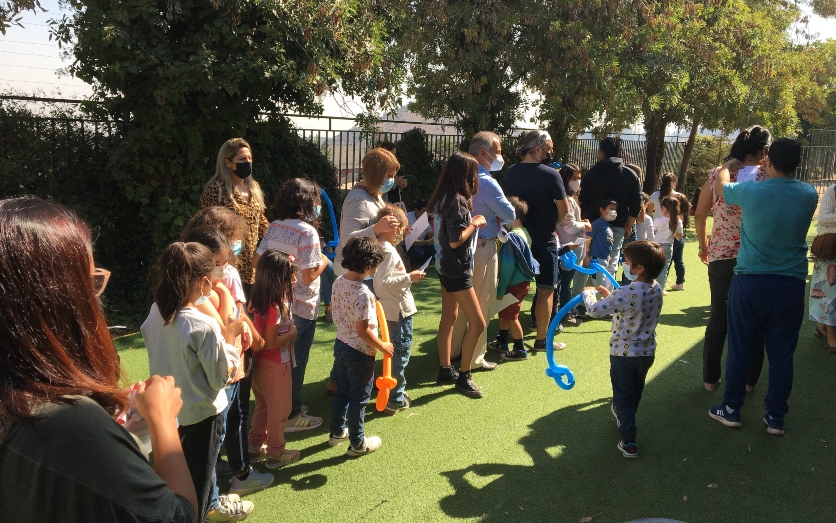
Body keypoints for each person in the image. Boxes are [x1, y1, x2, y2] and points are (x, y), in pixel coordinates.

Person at [0, 196, 198, 523]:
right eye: (90, 283)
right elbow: (178, 517)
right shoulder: (70, 426)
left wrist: (118, 437)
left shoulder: (19, 408)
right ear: (58, 301)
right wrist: (162, 420)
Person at [708, 138, 818, 437]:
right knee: (782, 354)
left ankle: (731, 408)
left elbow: (720, 188)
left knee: (740, 347)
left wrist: (726, 168)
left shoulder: (752, 190)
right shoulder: (808, 194)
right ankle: (775, 418)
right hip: (791, 282)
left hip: (751, 279)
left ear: (768, 159)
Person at [141, 241, 255, 521]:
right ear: (204, 282)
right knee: (199, 488)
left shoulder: (156, 311)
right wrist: (230, 338)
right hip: (203, 415)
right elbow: (219, 379)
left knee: (172, 478)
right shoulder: (201, 325)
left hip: (170, 411)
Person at [179, 226, 274, 499]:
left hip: (231, 367)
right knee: (218, 433)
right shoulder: (204, 297)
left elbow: (238, 315)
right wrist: (226, 301)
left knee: (222, 430)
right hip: (224, 374)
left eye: (224, 263)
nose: (224, 269)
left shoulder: (213, 289)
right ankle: (223, 489)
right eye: (218, 264)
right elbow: (225, 329)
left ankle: (219, 482)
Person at [694, 126, 771, 392]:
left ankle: (710, 379)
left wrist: (704, 246)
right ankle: (749, 381)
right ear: (764, 151)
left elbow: (701, 213)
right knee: (756, 320)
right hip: (757, 258)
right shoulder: (769, 176)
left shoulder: (718, 174)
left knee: (719, 317)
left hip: (721, 256)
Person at [254, 178, 328, 432]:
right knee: (297, 360)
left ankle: (283, 408)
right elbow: (308, 275)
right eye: (316, 201)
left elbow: (257, 261)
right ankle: (292, 413)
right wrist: (326, 261)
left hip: (279, 301)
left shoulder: (274, 226)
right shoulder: (308, 232)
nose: (318, 206)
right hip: (302, 306)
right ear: (307, 203)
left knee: (282, 360)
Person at [582, 240, 665, 459]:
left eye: (627, 263)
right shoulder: (656, 288)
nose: (625, 265)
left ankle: (629, 441)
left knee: (622, 395)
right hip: (646, 353)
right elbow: (633, 308)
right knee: (634, 390)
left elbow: (594, 311)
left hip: (623, 355)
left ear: (639, 268)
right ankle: (626, 415)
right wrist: (611, 297)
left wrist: (589, 294)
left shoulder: (628, 291)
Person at [450, 131, 516, 371]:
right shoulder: (486, 180)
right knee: (482, 303)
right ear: (482, 153)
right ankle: (475, 356)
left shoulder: (459, 176)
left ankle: (454, 350)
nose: (501, 156)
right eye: (497, 151)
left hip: (462, 247)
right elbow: (510, 213)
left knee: (460, 303)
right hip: (482, 246)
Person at [503, 130, 569, 352]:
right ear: (538, 148)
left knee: (509, 288)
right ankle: (542, 340)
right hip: (543, 239)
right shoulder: (551, 175)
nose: (551, 151)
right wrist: (549, 224)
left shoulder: (511, 173)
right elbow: (564, 209)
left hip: (515, 239)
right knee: (546, 290)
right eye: (549, 147)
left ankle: (504, 336)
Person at [430, 151, 489, 397]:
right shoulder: (457, 201)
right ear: (466, 175)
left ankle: (445, 368)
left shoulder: (443, 198)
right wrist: (476, 223)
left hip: (443, 267)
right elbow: (455, 240)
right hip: (456, 270)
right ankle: (464, 376)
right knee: (477, 323)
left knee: (450, 316)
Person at [328, 237, 393, 455]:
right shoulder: (363, 294)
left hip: (341, 345)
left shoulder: (338, 281)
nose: (376, 269)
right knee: (358, 399)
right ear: (366, 265)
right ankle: (357, 443)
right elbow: (362, 331)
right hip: (360, 352)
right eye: (375, 265)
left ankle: (337, 431)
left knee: (343, 392)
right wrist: (383, 345)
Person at [248, 250, 302, 469]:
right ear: (279, 278)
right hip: (275, 363)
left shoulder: (258, 298)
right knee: (280, 409)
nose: (295, 280)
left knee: (263, 406)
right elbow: (270, 342)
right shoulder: (275, 305)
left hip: (259, 364)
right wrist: (292, 334)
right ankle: (276, 453)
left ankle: (254, 445)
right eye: (291, 276)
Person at [373, 204, 426, 414]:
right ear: (394, 228)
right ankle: (395, 397)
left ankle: (394, 392)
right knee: (400, 352)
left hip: (394, 309)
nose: (403, 233)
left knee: (397, 351)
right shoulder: (387, 250)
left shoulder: (382, 247)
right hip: (398, 310)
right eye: (402, 228)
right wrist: (409, 278)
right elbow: (382, 282)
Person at [199, 138, 269, 290]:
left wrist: (272, 230)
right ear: (227, 162)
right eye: (242, 159)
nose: (248, 162)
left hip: (252, 266)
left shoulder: (254, 187)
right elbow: (206, 227)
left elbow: (260, 217)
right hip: (227, 265)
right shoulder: (215, 190)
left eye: (249, 158)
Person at [578, 137, 641, 298]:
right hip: (618, 225)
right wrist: (628, 224)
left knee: (588, 260)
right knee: (611, 262)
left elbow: (583, 199)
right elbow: (636, 203)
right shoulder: (630, 174)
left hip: (592, 225)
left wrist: (585, 221)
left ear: (602, 153)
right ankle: (607, 299)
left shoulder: (591, 174)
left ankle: (586, 298)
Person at [334, 147, 401, 276]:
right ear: (376, 174)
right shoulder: (358, 200)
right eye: (389, 176)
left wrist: (398, 233)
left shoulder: (376, 196)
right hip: (355, 273)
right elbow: (347, 240)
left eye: (394, 175)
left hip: (367, 269)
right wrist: (377, 228)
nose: (392, 180)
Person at [487, 197, 539, 360]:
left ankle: (520, 349)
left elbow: (508, 266)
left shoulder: (511, 238)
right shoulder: (524, 233)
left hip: (513, 284)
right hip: (521, 283)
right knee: (504, 313)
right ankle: (502, 340)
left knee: (511, 317)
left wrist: (501, 290)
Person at [185, 206, 248, 307]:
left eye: (237, 237)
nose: (235, 242)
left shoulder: (230, 274)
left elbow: (239, 312)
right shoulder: (189, 282)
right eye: (231, 237)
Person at [651, 173, 688, 291]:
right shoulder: (678, 197)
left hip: (657, 242)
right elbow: (678, 236)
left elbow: (650, 210)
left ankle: (653, 287)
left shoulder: (655, 196)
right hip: (669, 243)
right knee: (671, 264)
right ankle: (664, 287)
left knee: (655, 266)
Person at [810, 184, 836, 352]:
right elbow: (823, 217)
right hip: (831, 250)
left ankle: (822, 327)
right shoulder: (833, 190)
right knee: (828, 292)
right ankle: (831, 335)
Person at [585, 199, 618, 290]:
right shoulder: (597, 223)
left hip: (604, 261)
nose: (613, 212)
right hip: (596, 260)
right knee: (600, 287)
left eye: (615, 209)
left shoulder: (608, 226)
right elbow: (588, 239)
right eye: (611, 208)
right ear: (602, 210)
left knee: (596, 286)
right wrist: (586, 255)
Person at [653, 197, 683, 295]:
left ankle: (651, 287)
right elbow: (679, 237)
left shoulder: (658, 220)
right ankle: (660, 289)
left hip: (656, 245)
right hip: (668, 246)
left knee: (655, 267)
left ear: (663, 208)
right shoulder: (677, 221)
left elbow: (653, 233)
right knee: (664, 269)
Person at [407, 197, 437, 267]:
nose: (427, 214)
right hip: (408, 247)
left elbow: (431, 237)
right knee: (418, 251)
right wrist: (428, 242)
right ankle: (411, 265)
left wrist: (433, 225)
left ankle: (418, 266)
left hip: (421, 245)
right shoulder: (408, 218)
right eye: (424, 211)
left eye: (428, 211)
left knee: (435, 249)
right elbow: (409, 242)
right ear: (416, 210)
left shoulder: (427, 219)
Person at [378, 141, 408, 209]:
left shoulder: (392, 167)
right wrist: (395, 182)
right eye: (392, 154)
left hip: (395, 205)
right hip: (384, 206)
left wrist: (400, 185)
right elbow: (379, 187)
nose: (394, 157)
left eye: (395, 154)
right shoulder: (378, 169)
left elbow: (393, 189)